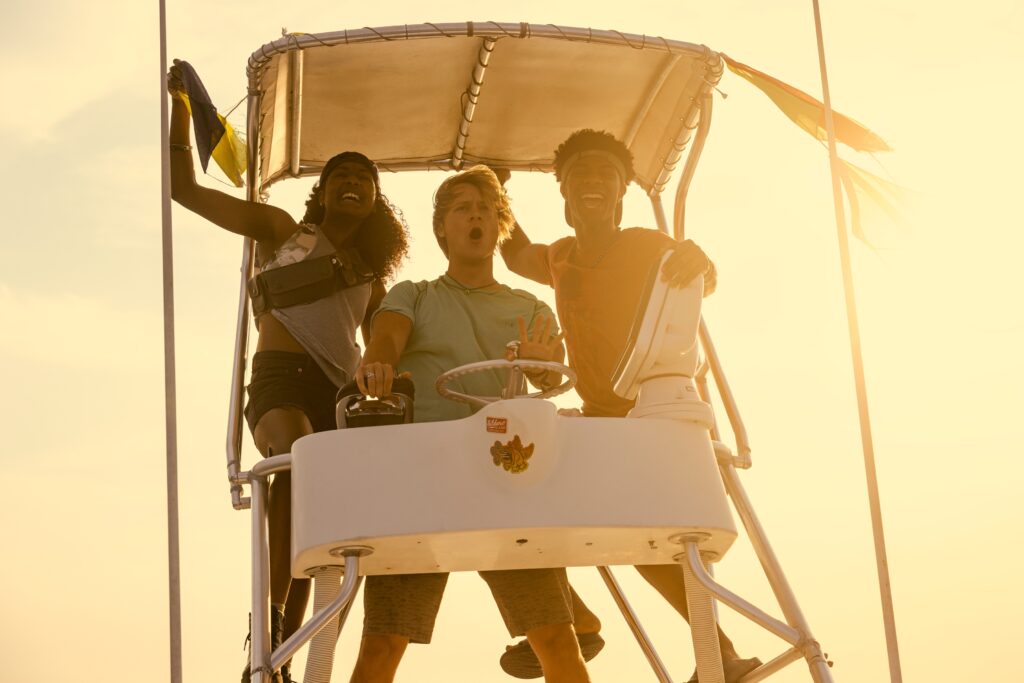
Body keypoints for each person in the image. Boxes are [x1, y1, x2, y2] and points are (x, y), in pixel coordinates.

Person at [166, 64, 409, 683]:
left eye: (364, 179)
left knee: (317, 508)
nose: (352, 182)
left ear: (375, 199)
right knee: (295, 458)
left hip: (336, 393)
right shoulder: (283, 230)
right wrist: (181, 111)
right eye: (341, 176)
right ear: (322, 192)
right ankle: (268, 624)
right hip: (278, 376)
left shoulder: (373, 280)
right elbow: (185, 191)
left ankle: (283, 652)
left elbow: (394, 344)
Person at [499, 129, 761, 683]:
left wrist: (701, 262)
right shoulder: (560, 257)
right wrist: (497, 187)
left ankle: (720, 656)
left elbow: (699, 275)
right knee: (519, 494)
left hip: (650, 414)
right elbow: (514, 250)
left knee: (652, 546)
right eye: (581, 174)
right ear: (565, 194)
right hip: (597, 420)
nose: (594, 181)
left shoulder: (647, 244)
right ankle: (578, 622)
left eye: (606, 174)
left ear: (620, 193)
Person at [347, 166, 591, 683]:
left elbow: (551, 374)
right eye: (462, 207)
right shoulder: (414, 293)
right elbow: (387, 338)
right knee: (382, 645)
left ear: (500, 226)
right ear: (443, 229)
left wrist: (542, 363)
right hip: (424, 478)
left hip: (506, 476)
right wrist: (378, 363)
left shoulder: (529, 307)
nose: (476, 214)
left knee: (556, 640)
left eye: (486, 207)